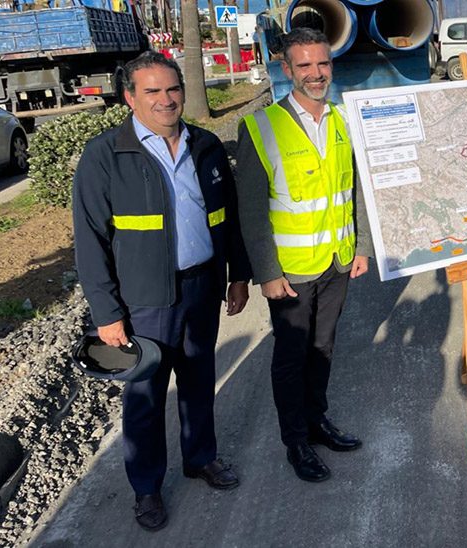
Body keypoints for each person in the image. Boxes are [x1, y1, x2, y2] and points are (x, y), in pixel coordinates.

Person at [72, 51, 251, 531]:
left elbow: (226, 218)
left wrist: (238, 275)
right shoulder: (106, 155)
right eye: (152, 91)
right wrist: (108, 313)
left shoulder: (208, 146)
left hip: (201, 288)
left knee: (197, 381)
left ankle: (201, 458)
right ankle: (147, 488)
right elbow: (89, 243)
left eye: (172, 89)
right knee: (145, 396)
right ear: (130, 97)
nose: (165, 100)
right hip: (143, 302)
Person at [234, 28, 372, 483]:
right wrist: (267, 274)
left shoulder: (342, 119)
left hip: (337, 260)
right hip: (290, 271)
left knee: (323, 348)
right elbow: (252, 210)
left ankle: (317, 421)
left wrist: (362, 247)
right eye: (305, 66)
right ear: (287, 70)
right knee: (291, 358)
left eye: (322, 64)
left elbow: (355, 189)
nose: (315, 74)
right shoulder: (260, 126)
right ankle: (296, 441)